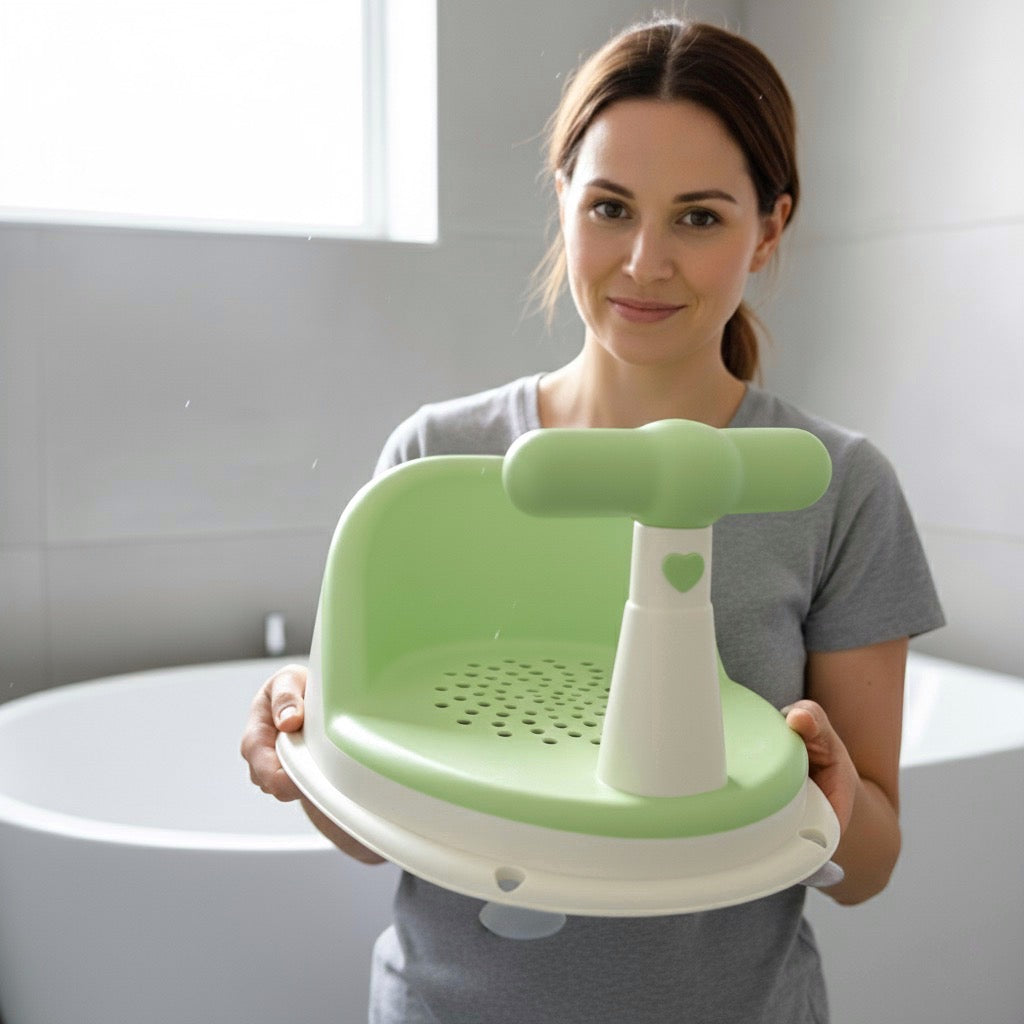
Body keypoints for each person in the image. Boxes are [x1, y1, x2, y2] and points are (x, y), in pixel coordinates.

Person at [241, 18, 944, 1023]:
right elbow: (373, 830)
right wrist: (308, 755)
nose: (645, 262)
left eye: (698, 218)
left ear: (769, 227)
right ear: (562, 199)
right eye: (611, 207)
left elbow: (868, 865)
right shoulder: (437, 460)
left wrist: (825, 799)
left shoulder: (835, 487)